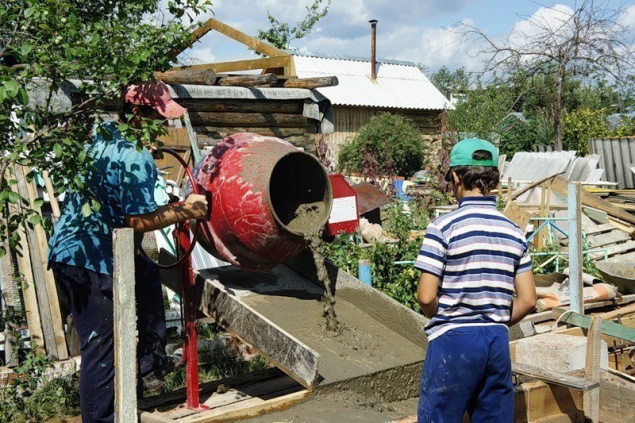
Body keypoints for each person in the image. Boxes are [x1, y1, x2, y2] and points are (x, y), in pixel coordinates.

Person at [48, 81, 208, 422]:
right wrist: (188, 210)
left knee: (147, 275)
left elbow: (119, 203)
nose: (165, 126)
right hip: (90, 261)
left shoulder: (104, 136)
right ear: (137, 113)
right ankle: (102, 418)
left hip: (71, 250)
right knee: (101, 347)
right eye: (160, 118)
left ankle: (150, 363)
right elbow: (136, 221)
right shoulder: (135, 155)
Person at [414, 138, 536, 422]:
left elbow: (426, 296)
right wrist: (495, 321)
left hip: (453, 340)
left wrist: (446, 317)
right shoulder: (514, 232)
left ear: (456, 177)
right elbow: (529, 299)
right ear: (493, 179)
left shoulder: (443, 228)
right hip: (496, 341)